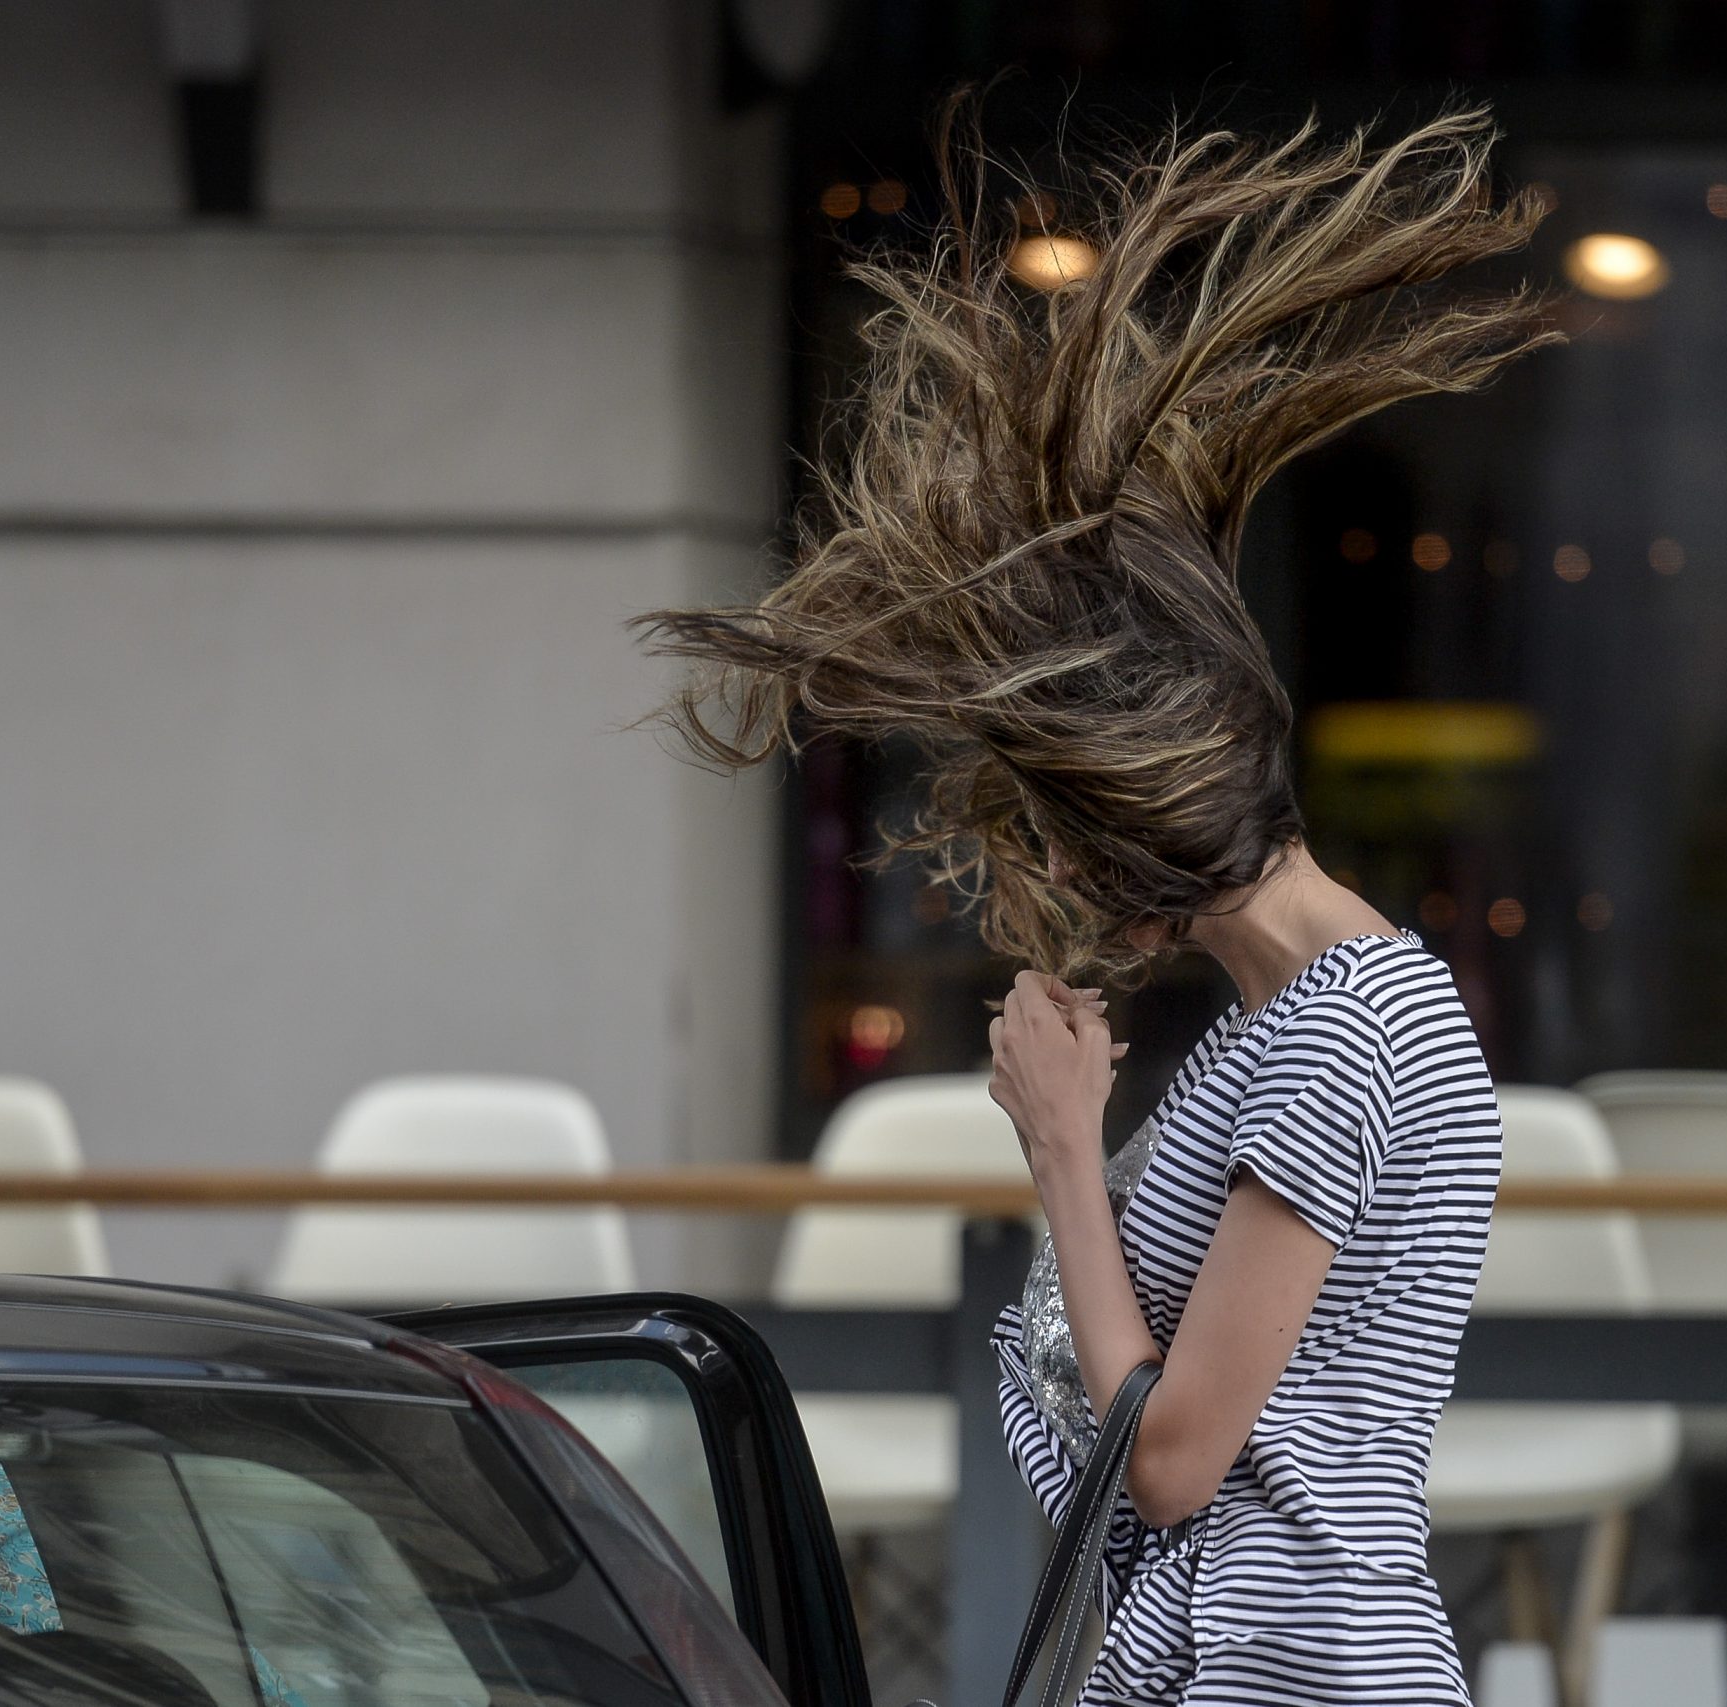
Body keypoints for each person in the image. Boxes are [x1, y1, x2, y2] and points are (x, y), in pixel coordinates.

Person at [637, 97, 1549, 1707]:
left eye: (1057, 829)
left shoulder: (1342, 1037)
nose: (1043, 874)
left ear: (1138, 821)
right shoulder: (1333, 1012)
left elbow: (1179, 1463)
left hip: (1280, 1675)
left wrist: (1061, 1141)